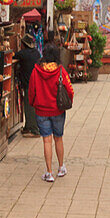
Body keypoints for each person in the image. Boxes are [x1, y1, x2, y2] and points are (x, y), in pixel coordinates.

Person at [28, 44, 74, 182]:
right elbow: (70, 90)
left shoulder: (36, 71)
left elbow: (31, 90)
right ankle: (61, 167)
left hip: (41, 110)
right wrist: (67, 102)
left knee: (46, 141)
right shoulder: (60, 71)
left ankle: (49, 172)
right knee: (58, 138)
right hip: (57, 110)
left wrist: (33, 103)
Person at [16, 34, 42, 137]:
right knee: (32, 106)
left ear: (23, 44)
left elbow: (13, 55)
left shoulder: (23, 54)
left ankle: (34, 130)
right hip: (37, 83)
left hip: (29, 84)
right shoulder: (36, 53)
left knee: (29, 106)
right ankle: (28, 127)